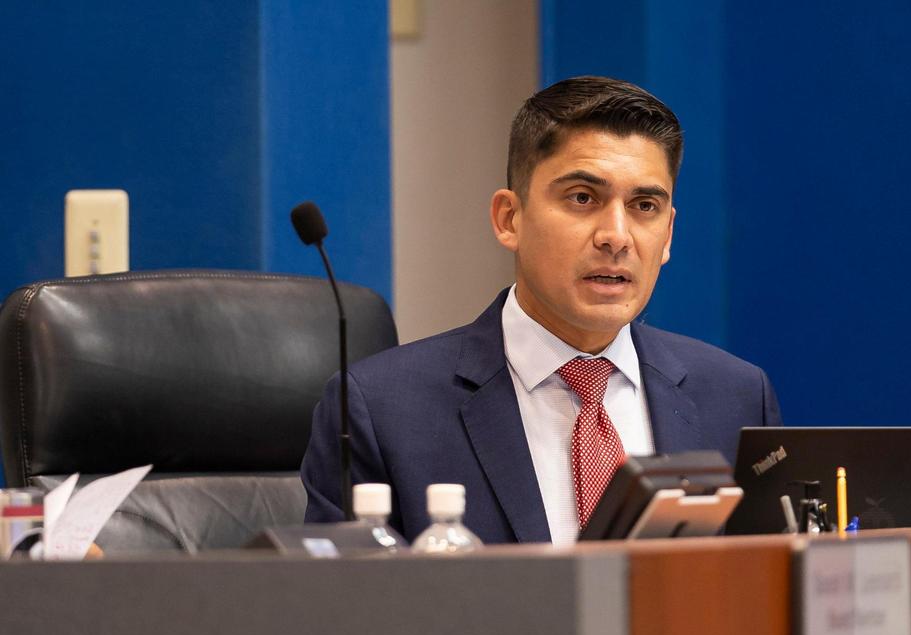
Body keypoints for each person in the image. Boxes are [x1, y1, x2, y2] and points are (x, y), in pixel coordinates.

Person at [302, 75, 781, 545]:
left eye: (644, 205)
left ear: (669, 234)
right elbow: (341, 613)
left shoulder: (736, 397)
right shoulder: (381, 410)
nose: (616, 236)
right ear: (509, 219)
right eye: (582, 198)